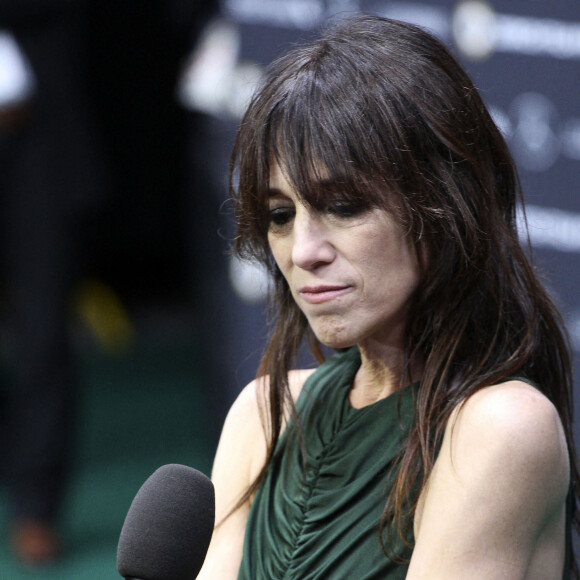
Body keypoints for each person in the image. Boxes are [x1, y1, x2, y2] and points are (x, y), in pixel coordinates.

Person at [198, 14, 579, 579]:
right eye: (280, 215)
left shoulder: (499, 428)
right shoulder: (264, 415)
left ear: (445, 205)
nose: (303, 251)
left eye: (344, 206)